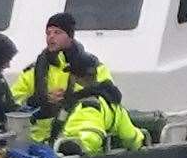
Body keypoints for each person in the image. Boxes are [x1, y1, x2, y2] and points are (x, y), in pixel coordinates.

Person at [10, 12, 114, 143]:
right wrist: (37, 100)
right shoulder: (32, 72)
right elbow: (13, 104)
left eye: (57, 32)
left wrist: (74, 98)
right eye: (48, 33)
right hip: (36, 143)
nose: (51, 37)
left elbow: (108, 101)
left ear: (70, 36)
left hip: (77, 141)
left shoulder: (93, 68)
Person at [52, 53, 145, 156]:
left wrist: (72, 148)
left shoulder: (87, 106)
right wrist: (139, 140)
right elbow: (129, 136)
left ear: (76, 78)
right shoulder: (112, 102)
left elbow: (91, 137)